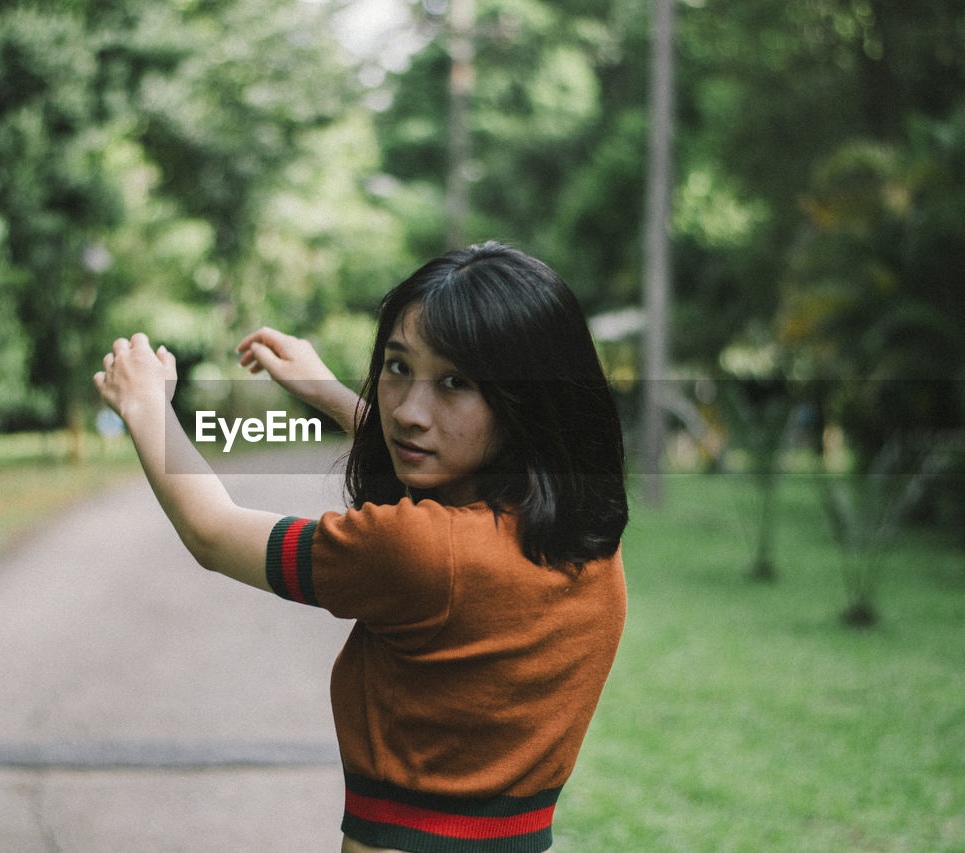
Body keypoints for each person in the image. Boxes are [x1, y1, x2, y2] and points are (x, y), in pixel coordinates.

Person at [94, 241, 628, 853]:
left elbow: (212, 532)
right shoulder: (584, 539)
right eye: (398, 367)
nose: (408, 411)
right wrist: (324, 391)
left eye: (455, 381)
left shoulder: (419, 551)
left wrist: (146, 408)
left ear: (526, 402)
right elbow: (431, 445)